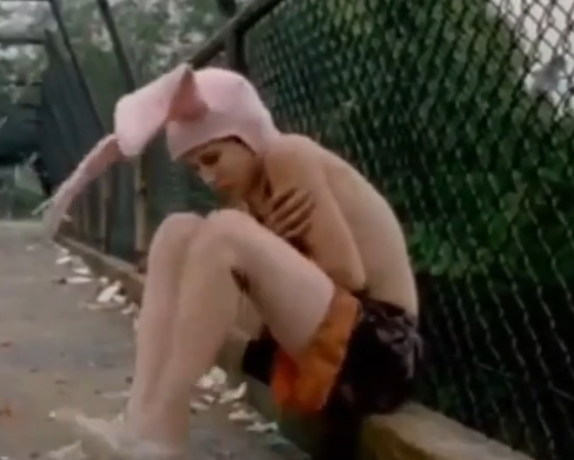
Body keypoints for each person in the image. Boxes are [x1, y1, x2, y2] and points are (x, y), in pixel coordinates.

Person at [45, 64, 422, 460]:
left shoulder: (287, 155)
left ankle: (164, 426)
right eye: (196, 168)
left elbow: (350, 275)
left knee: (225, 231)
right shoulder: (249, 193)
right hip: (321, 341)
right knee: (177, 231)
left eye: (212, 158)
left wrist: (270, 244)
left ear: (247, 134)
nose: (208, 178)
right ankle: (139, 423)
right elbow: (256, 315)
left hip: (380, 351)